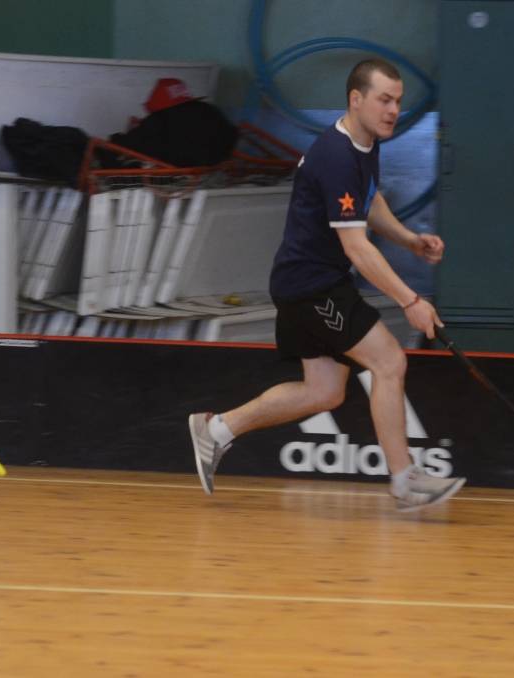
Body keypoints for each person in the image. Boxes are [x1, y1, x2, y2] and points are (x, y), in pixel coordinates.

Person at [188, 58, 466, 511]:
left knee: (324, 392)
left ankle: (216, 429)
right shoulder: (336, 156)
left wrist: (409, 240)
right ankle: (405, 481)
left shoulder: (364, 143)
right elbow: (357, 248)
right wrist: (411, 300)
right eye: (384, 100)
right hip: (311, 286)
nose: (393, 110)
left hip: (310, 281)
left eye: (397, 101)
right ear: (356, 99)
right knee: (389, 362)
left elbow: (369, 200)